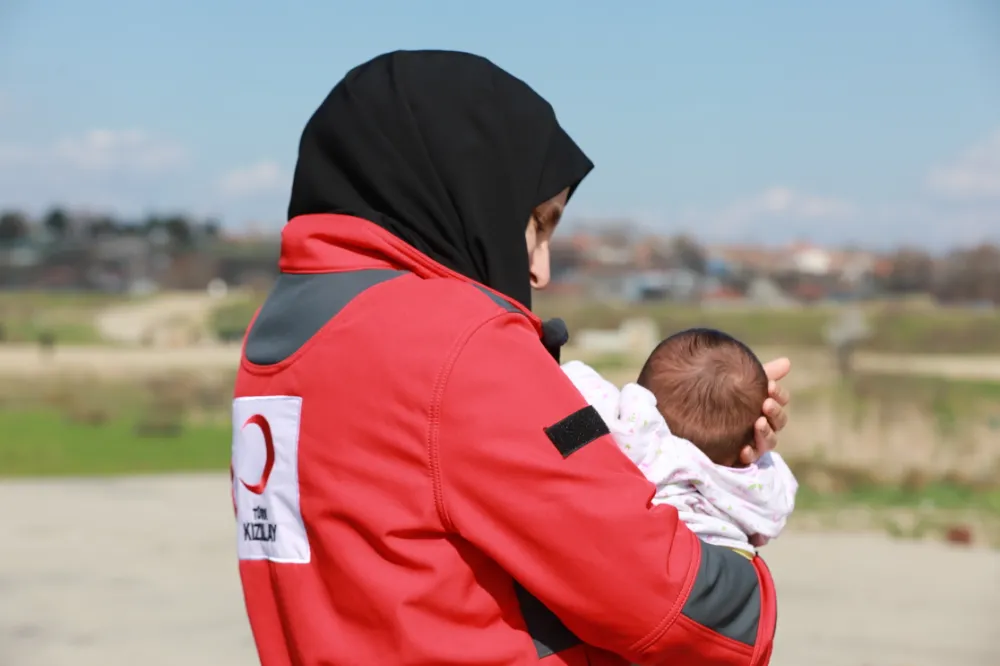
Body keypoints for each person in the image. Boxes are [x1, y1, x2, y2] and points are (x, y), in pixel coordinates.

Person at [230, 50, 792, 666]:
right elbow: (667, 601)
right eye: (536, 224)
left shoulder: (281, 340)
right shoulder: (460, 344)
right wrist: (739, 547)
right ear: (475, 192)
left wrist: (696, 424)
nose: (539, 269)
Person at [562, 328, 798, 557]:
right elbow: (778, 500)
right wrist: (755, 456)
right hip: (706, 567)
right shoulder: (742, 488)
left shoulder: (633, 433)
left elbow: (574, 380)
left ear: (644, 397)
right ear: (744, 453)